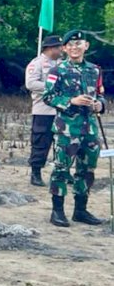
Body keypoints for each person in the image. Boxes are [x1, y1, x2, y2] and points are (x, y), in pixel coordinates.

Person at [42, 30, 106, 227]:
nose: (74, 48)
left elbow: (101, 94)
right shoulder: (58, 71)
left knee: (87, 170)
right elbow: (48, 97)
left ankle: (80, 210)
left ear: (86, 46)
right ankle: (57, 211)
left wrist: (99, 105)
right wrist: (71, 101)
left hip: (90, 130)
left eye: (78, 44)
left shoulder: (94, 70)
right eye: (70, 45)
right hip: (67, 129)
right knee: (61, 169)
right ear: (64, 48)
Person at [25, 35, 64, 186]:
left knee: (62, 143)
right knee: (41, 142)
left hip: (62, 109)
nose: (61, 49)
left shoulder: (63, 64)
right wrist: (51, 88)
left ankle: (62, 172)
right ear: (49, 48)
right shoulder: (37, 63)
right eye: (58, 47)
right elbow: (31, 83)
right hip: (43, 110)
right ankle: (36, 173)